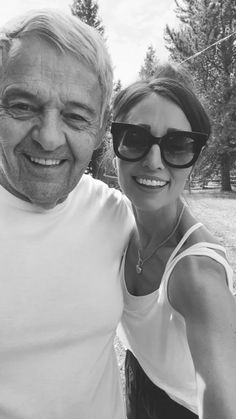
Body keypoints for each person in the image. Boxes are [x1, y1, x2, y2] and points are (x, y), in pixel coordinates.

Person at [0, 9, 134, 419]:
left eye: (76, 116)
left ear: (100, 129)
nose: (49, 137)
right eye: (23, 106)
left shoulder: (118, 217)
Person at [111, 73, 236, 419]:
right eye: (135, 138)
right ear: (114, 144)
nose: (153, 161)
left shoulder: (197, 277)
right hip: (142, 375)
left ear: (195, 158)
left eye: (178, 146)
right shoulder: (116, 220)